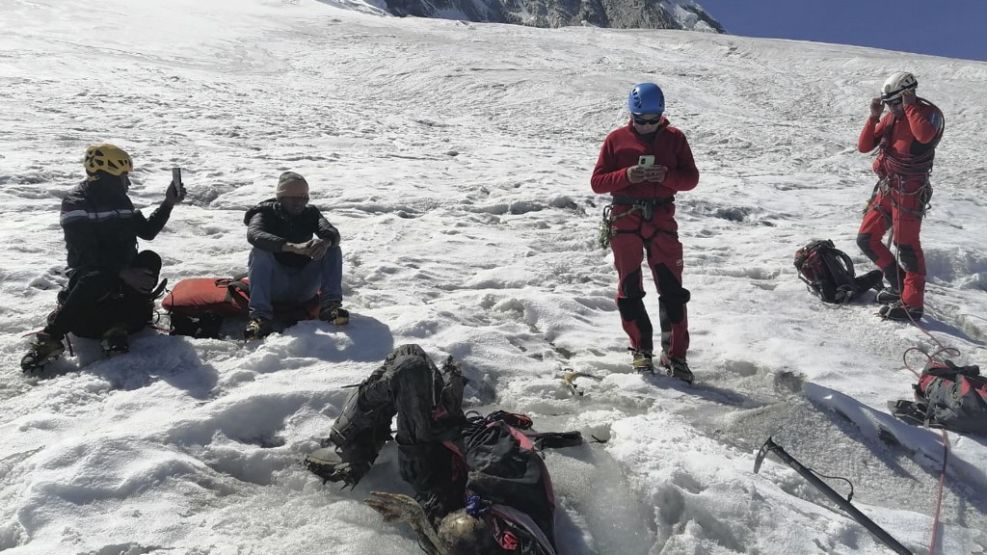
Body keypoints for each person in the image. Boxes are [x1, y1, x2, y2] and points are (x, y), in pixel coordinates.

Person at [304, 345, 576, 555]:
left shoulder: (492, 527)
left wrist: (417, 517)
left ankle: (353, 447)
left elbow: (449, 539)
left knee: (409, 364)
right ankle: (358, 442)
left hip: (435, 478)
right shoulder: (519, 528)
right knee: (414, 365)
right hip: (461, 456)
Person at [21, 144, 183, 372]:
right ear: (106, 177)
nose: (128, 183)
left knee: (149, 259)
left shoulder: (122, 202)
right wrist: (123, 272)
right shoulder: (76, 202)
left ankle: (117, 327)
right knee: (97, 276)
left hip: (122, 278)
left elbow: (147, 231)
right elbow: (85, 253)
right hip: (91, 279)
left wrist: (168, 204)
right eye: (123, 177)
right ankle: (51, 338)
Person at [590, 83, 699, 382]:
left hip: (662, 220)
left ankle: (675, 355)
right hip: (626, 220)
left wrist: (667, 176)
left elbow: (691, 178)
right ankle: (640, 350)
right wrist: (627, 176)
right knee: (629, 288)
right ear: (632, 114)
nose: (648, 126)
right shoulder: (616, 140)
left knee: (673, 291)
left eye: (654, 120)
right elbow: (597, 182)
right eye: (641, 120)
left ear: (662, 115)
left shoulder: (675, 138)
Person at [856, 72, 944, 322]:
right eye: (889, 104)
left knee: (907, 248)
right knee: (866, 239)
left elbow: (924, 136)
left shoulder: (927, 115)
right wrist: (874, 116)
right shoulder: (890, 118)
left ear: (908, 94)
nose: (892, 108)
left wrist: (910, 106)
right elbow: (864, 146)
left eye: (895, 102)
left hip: (909, 191)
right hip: (887, 188)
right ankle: (900, 286)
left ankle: (912, 304)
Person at [243, 171, 347, 338]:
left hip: (304, 285)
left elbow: (332, 233)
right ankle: (260, 317)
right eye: (293, 198)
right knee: (260, 251)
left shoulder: (310, 213)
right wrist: (291, 247)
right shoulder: (264, 213)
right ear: (281, 198)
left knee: (332, 248)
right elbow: (254, 234)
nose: (299, 203)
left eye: (303, 198)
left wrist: (324, 242)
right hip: (275, 286)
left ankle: (331, 307)